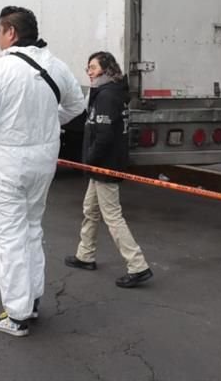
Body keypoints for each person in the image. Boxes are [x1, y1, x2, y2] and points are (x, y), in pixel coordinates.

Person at [0, 6, 84, 337]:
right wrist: (50, 122)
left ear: (11, 32)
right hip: (44, 161)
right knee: (31, 228)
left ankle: (16, 315)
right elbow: (76, 106)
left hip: (9, 164)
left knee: (10, 236)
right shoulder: (56, 66)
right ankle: (32, 299)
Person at [64, 51, 153, 288]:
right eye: (88, 67)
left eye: (92, 67)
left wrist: (90, 161)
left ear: (106, 70)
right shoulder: (110, 94)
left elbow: (103, 136)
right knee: (90, 210)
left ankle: (138, 266)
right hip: (104, 164)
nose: (89, 71)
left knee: (112, 216)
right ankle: (85, 255)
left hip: (104, 165)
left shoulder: (106, 97)